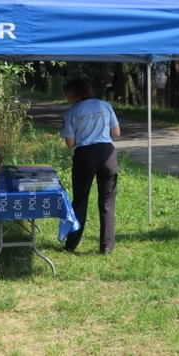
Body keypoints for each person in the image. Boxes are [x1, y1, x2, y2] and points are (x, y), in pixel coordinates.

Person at [61, 78, 121, 254]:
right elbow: (116, 133)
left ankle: (72, 243)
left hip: (84, 156)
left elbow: (70, 143)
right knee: (107, 201)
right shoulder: (105, 105)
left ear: (74, 94)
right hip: (107, 154)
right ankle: (106, 246)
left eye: (68, 95)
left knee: (80, 200)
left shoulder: (71, 112)